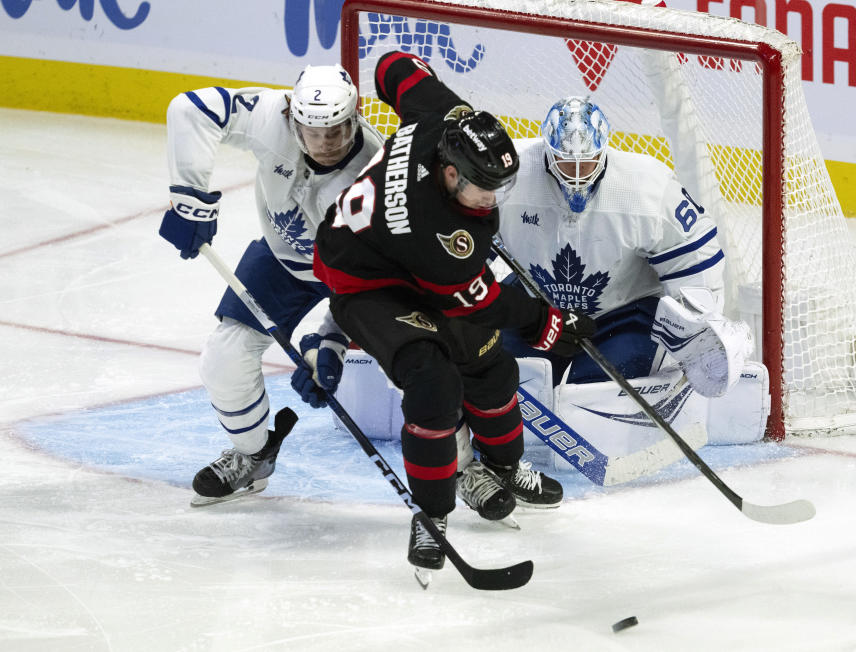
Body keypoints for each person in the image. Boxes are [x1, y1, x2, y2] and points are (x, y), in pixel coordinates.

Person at [312, 51, 596, 573]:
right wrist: (548, 323)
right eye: (483, 189)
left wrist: (401, 68)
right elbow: (483, 300)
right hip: (367, 282)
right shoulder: (443, 237)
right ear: (449, 173)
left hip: (404, 258)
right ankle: (432, 512)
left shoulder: (447, 118)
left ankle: (504, 467)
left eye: (500, 188)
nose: (493, 200)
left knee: (488, 365)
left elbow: (392, 69)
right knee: (435, 382)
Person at [159, 64, 383, 506]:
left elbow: (368, 281)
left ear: (355, 116)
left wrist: (331, 345)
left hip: (353, 277)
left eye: (336, 131)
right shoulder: (270, 114)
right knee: (224, 357)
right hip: (281, 260)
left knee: (422, 360)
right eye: (312, 132)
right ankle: (252, 455)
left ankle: (466, 464)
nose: (323, 144)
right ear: (290, 116)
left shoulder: (372, 177)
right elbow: (189, 109)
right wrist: (191, 199)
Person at [495, 96, 760, 454]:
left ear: (604, 151)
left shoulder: (645, 187)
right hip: (537, 307)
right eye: (565, 163)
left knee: (591, 392)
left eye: (586, 162)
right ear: (547, 152)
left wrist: (697, 320)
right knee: (496, 373)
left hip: (622, 313)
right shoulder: (506, 174)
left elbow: (697, 252)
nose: (576, 175)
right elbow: (464, 244)